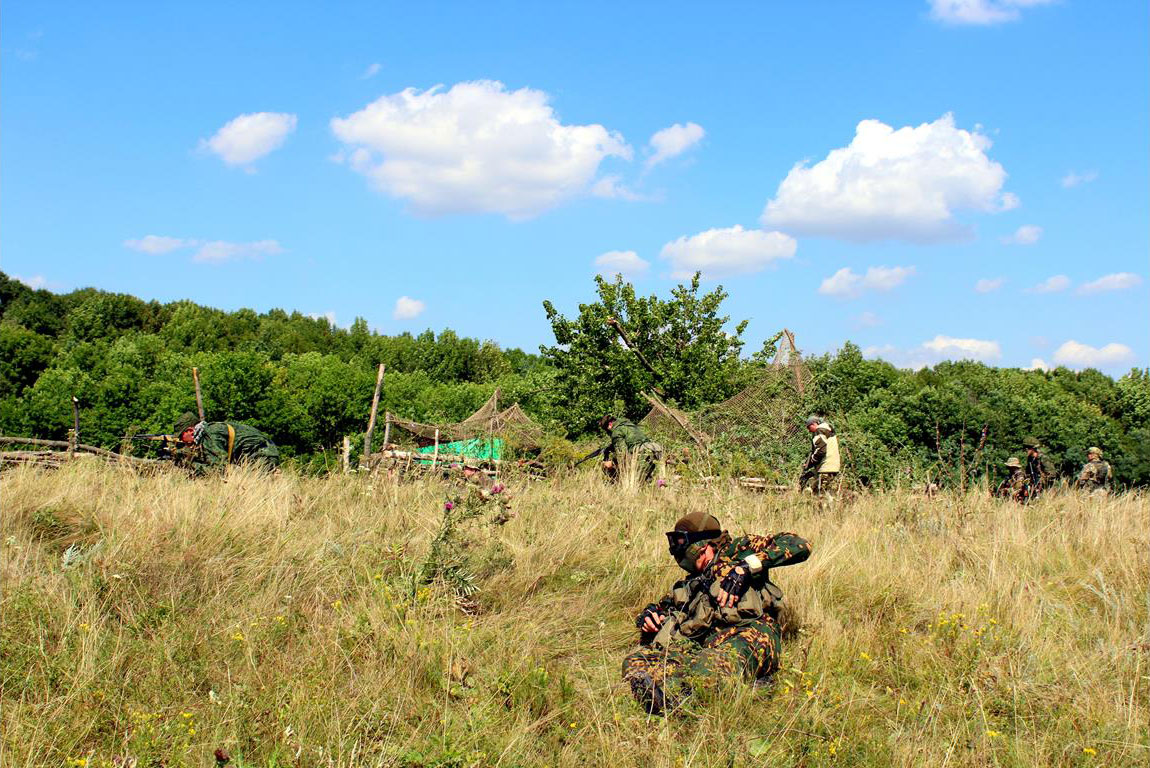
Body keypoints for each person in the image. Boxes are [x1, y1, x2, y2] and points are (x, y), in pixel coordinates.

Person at [621, 511, 811, 715]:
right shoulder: (690, 583)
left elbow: (799, 545)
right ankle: (666, 693)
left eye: (682, 543)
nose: (678, 551)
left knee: (709, 666)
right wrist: (649, 616)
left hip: (749, 633)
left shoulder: (737, 552)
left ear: (703, 545)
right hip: (702, 643)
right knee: (637, 662)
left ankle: (679, 701)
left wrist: (746, 568)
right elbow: (662, 608)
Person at [172, 412, 280, 475]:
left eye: (181, 436)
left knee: (244, 487)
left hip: (263, 455)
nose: (182, 440)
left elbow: (218, 470)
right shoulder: (209, 430)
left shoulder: (209, 435)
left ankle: (273, 474)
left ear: (190, 431)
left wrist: (187, 463)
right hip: (264, 453)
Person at [599, 415, 663, 483]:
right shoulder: (628, 424)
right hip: (656, 449)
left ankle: (620, 483)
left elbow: (622, 455)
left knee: (606, 466)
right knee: (651, 480)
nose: (607, 431)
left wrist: (612, 462)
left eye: (606, 429)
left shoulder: (616, 432)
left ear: (610, 424)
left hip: (643, 454)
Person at [799, 416, 840, 497]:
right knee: (826, 492)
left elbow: (820, 451)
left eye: (809, 427)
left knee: (819, 493)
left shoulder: (819, 431)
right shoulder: (828, 430)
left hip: (825, 467)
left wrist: (811, 462)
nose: (809, 430)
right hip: (833, 466)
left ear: (814, 424)